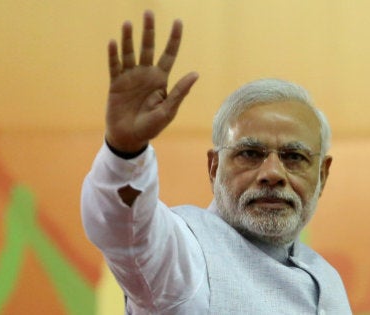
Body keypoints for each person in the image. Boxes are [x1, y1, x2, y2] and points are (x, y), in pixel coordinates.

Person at [81, 10, 353, 314]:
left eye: (293, 157)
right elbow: (126, 230)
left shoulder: (327, 278)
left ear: (322, 175)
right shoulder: (185, 253)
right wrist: (125, 152)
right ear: (214, 167)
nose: (273, 173)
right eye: (250, 154)